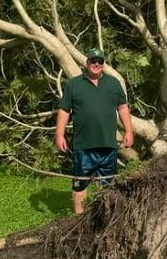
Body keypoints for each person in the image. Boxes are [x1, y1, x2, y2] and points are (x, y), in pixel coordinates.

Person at [55, 48, 134, 214]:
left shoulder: (113, 84)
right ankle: (79, 218)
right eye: (93, 61)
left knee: (107, 185)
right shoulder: (74, 84)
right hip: (83, 145)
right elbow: (64, 111)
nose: (96, 64)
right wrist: (59, 134)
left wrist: (129, 131)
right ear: (87, 63)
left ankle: (106, 217)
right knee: (80, 183)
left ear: (103, 64)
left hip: (107, 144)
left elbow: (123, 108)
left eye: (99, 61)